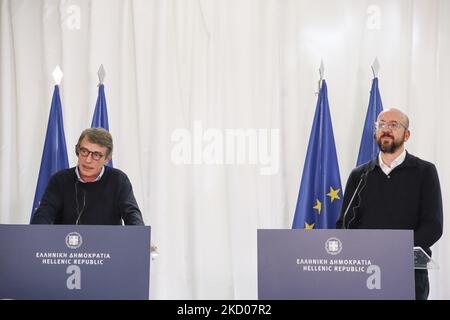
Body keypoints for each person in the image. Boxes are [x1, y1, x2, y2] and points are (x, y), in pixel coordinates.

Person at [336, 108, 443, 300]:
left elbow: (433, 226)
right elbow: (344, 224)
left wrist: (395, 252)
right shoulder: (359, 175)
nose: (386, 129)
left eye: (394, 125)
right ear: (376, 132)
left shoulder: (425, 171)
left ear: (407, 134)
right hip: (363, 272)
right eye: (381, 125)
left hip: (408, 273)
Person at [31, 128, 144, 225]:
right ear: (77, 151)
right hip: (66, 247)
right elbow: (44, 214)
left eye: (96, 155)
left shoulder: (118, 180)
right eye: (84, 151)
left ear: (107, 159)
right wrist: (37, 235)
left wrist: (141, 238)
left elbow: (132, 214)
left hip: (107, 247)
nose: (88, 160)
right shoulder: (60, 180)